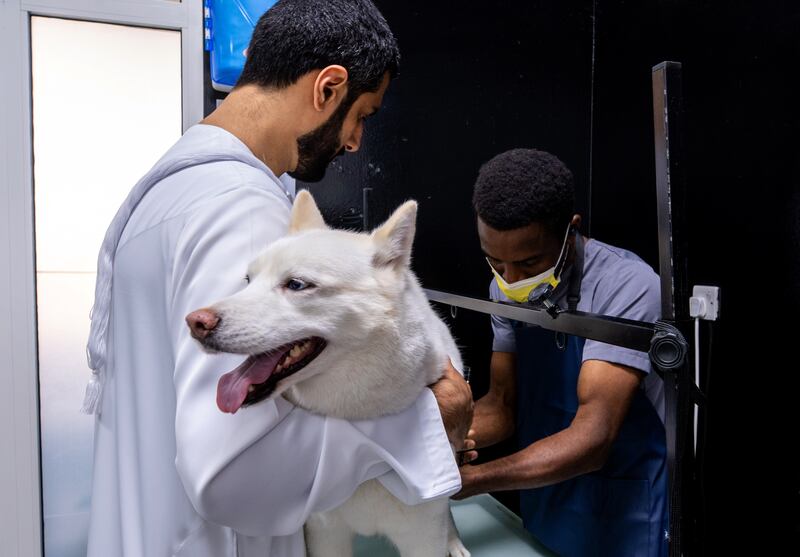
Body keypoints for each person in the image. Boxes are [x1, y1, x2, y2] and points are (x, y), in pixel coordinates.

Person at [83, 1, 472, 555]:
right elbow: (231, 472)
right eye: (363, 113)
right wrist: (425, 422)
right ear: (327, 89)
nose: (357, 140)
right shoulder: (242, 209)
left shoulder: (170, 188)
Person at [456, 148, 667, 557]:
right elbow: (502, 406)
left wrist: (474, 479)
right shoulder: (503, 288)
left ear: (570, 231)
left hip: (620, 509)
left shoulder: (628, 286)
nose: (510, 280)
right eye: (495, 261)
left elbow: (594, 437)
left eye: (529, 261)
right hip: (547, 505)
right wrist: (431, 444)